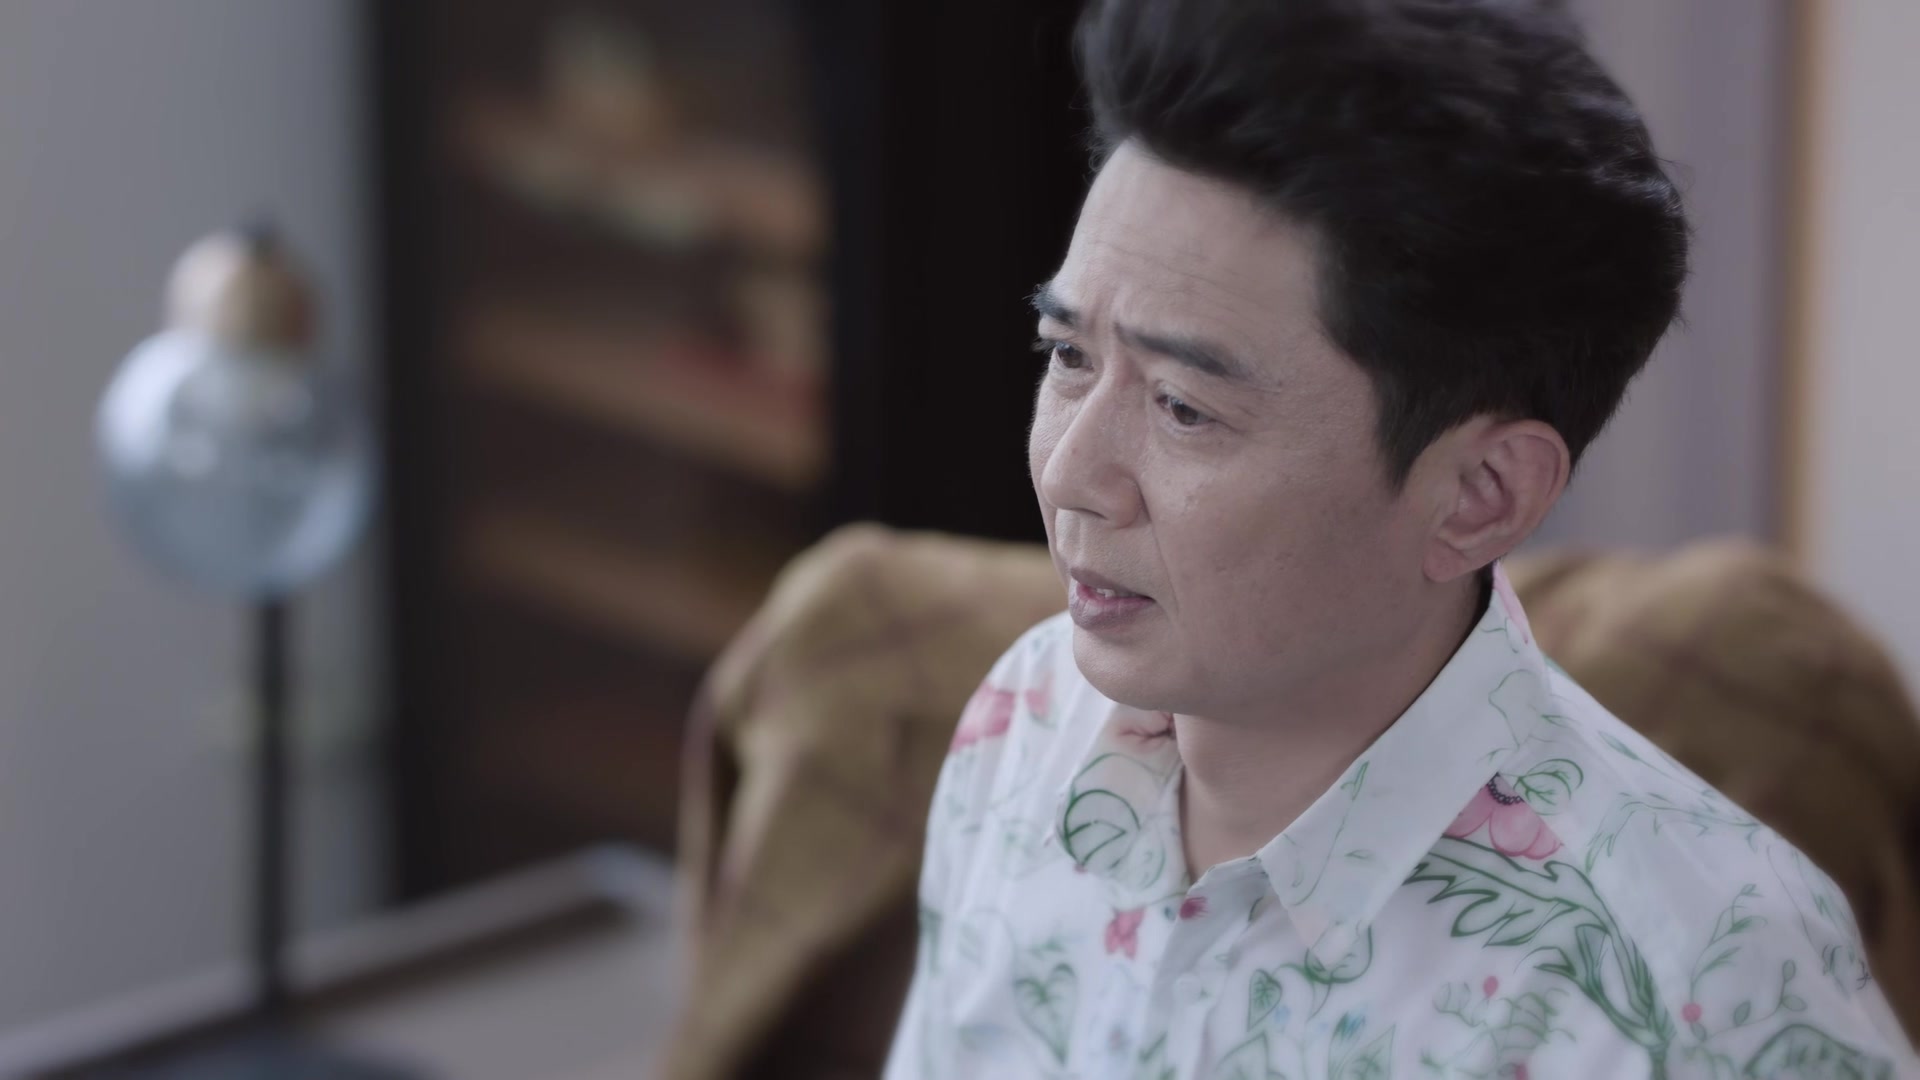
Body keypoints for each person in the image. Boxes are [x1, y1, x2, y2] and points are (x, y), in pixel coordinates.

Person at [882, 0, 1920, 1077]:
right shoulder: (1025, 721)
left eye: (1184, 408)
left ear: (1478, 496)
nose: (1068, 476)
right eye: (1069, 355)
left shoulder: (1708, 1002)